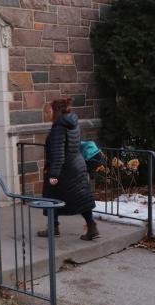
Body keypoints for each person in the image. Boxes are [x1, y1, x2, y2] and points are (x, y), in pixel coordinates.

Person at [37, 97, 99, 240]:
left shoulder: (59, 127)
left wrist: (53, 174)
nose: (49, 113)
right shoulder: (73, 123)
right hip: (77, 165)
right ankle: (92, 228)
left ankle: (53, 228)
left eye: (51, 110)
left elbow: (58, 154)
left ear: (56, 110)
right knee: (82, 198)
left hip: (64, 169)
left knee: (51, 196)